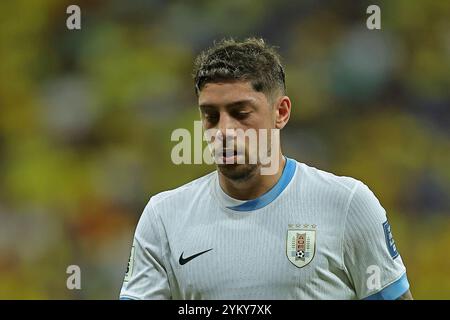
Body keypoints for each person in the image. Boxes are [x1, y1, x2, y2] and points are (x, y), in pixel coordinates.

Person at [119, 38, 412, 300]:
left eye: (240, 113)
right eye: (210, 116)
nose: (224, 130)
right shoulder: (164, 217)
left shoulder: (347, 204)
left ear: (280, 112)